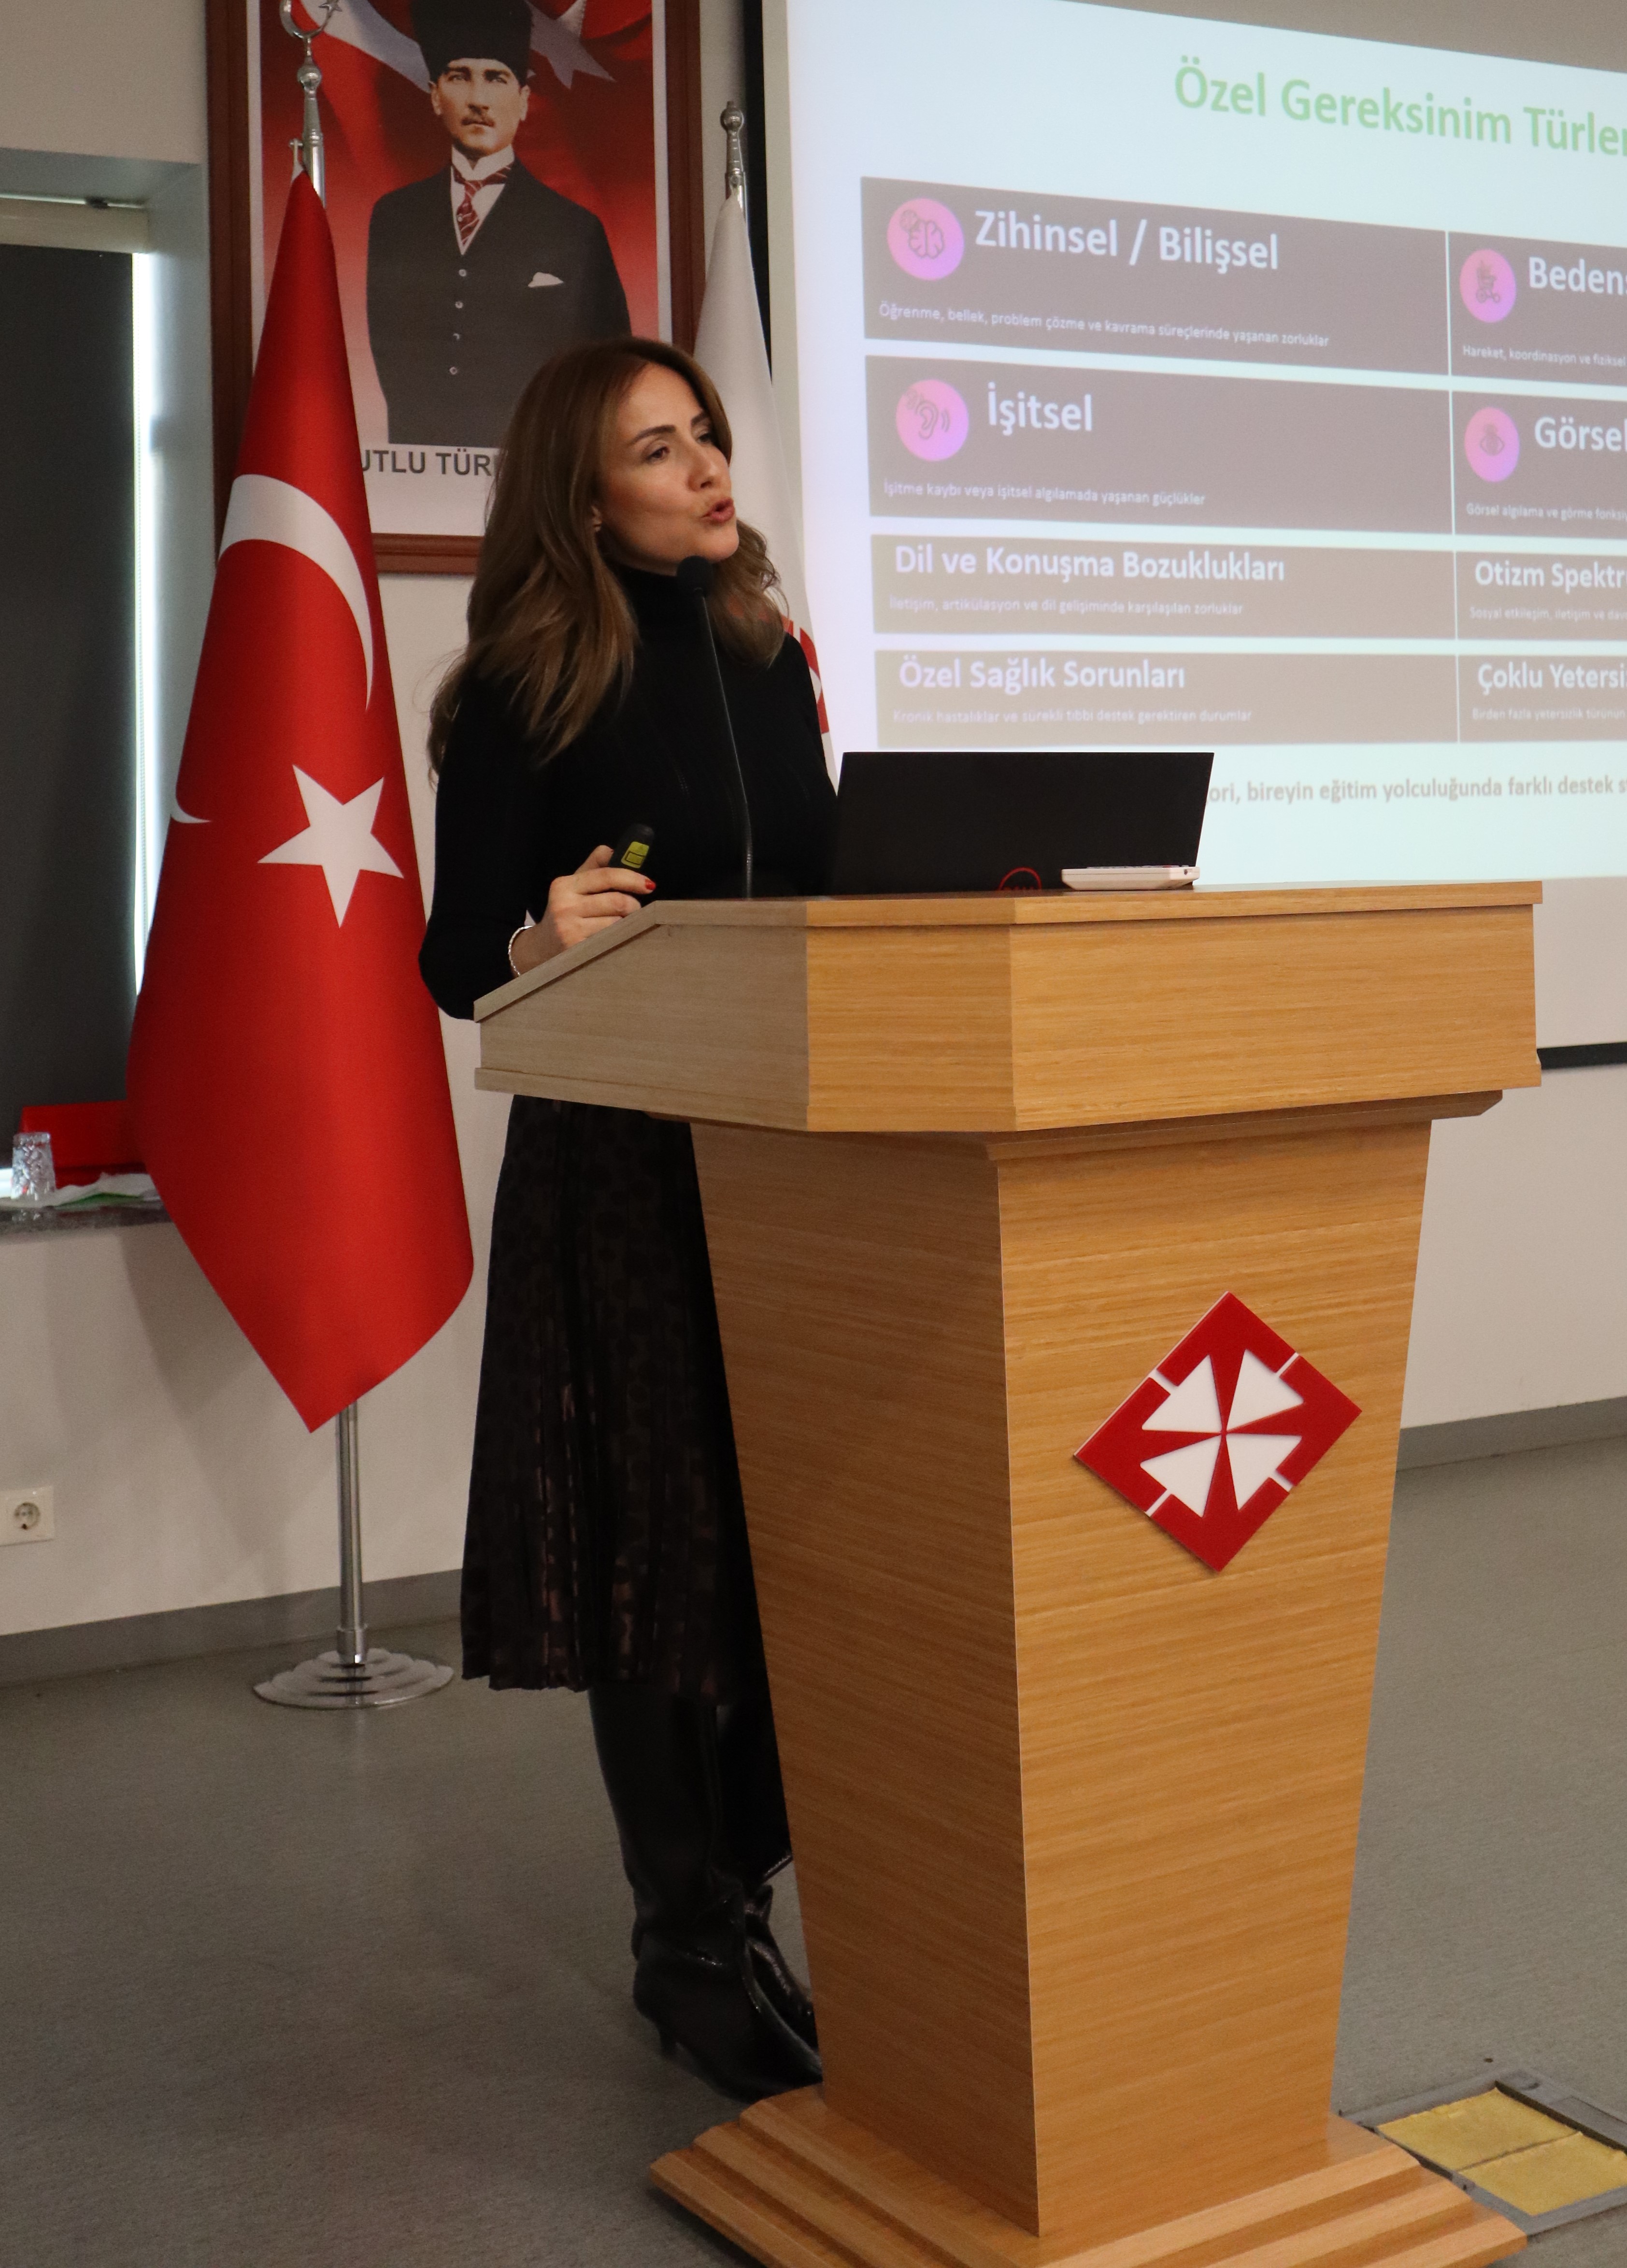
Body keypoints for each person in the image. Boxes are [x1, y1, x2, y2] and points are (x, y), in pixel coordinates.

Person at [419, 337, 836, 2099]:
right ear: (582, 499)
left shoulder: (767, 655)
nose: (708, 467)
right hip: (622, 1169)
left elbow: (826, 880)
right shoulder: (524, 681)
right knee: (658, 1553)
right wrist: (541, 935)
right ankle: (688, 1943)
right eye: (660, 448)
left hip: (799, 1155)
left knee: (800, 1540)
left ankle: (747, 1884)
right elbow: (458, 956)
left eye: (707, 434)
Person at [367, 0, 629, 446]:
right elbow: (392, 359)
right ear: (435, 96)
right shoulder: (395, 219)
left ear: (523, 101)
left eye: (496, 78)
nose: (478, 100)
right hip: (421, 469)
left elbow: (610, 373)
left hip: (532, 468)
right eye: (459, 76)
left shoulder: (575, 230)